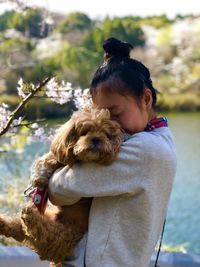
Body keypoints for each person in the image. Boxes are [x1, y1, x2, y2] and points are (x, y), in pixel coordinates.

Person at [48, 37, 177, 267]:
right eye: (101, 116)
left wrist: (51, 176)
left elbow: (60, 190)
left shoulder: (143, 150)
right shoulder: (163, 140)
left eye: (115, 114)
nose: (111, 125)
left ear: (146, 99)